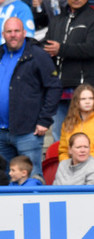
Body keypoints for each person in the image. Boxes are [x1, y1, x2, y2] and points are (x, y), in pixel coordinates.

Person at [0, 17, 61, 179]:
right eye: (9, 31)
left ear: (24, 33)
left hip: (28, 132)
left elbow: (54, 86)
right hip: (1, 132)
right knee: (5, 180)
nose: (13, 35)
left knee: (32, 179)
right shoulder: (0, 54)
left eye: (17, 31)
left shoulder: (37, 55)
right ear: (3, 34)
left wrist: (44, 120)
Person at [43, 0, 94, 142]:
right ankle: (63, 164)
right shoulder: (57, 19)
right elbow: (48, 43)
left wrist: (61, 49)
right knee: (59, 138)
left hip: (85, 87)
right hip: (60, 88)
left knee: (88, 138)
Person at [58, 84, 94, 170]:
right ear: (76, 101)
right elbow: (63, 151)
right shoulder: (68, 123)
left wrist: (84, 163)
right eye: (83, 99)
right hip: (73, 169)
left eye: (91, 98)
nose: (87, 101)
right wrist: (71, 164)